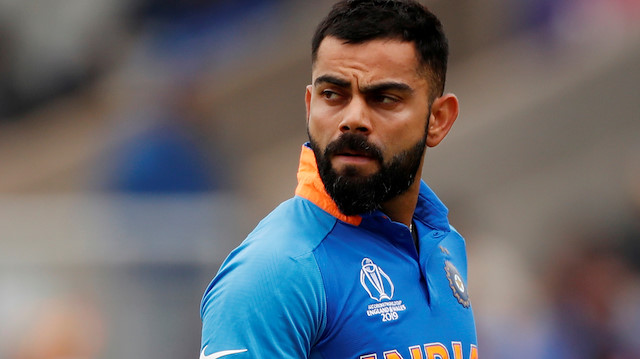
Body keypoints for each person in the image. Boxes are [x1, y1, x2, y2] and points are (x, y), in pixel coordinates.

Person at [200, 1, 478, 358]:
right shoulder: (276, 273)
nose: (353, 119)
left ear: (438, 119)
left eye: (384, 98)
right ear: (309, 104)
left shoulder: (444, 245)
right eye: (333, 94)